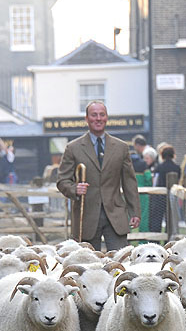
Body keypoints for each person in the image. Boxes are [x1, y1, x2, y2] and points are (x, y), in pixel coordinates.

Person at [57, 100, 140, 251]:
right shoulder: (73, 148)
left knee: (120, 261)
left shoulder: (121, 147)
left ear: (107, 118)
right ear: (86, 119)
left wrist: (135, 211)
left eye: (102, 115)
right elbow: (62, 181)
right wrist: (75, 189)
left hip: (115, 215)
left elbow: (129, 182)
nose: (98, 118)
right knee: (88, 265)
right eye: (94, 115)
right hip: (86, 216)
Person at [150, 144, 180, 234]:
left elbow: (155, 182)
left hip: (159, 196)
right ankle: (170, 238)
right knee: (171, 219)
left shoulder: (159, 167)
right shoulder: (177, 168)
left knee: (157, 219)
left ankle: (156, 240)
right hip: (172, 196)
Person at [136, 146, 155, 233]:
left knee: (126, 216)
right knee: (143, 216)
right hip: (143, 195)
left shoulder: (126, 165)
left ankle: (126, 241)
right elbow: (148, 180)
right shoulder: (144, 166)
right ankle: (142, 241)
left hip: (128, 194)